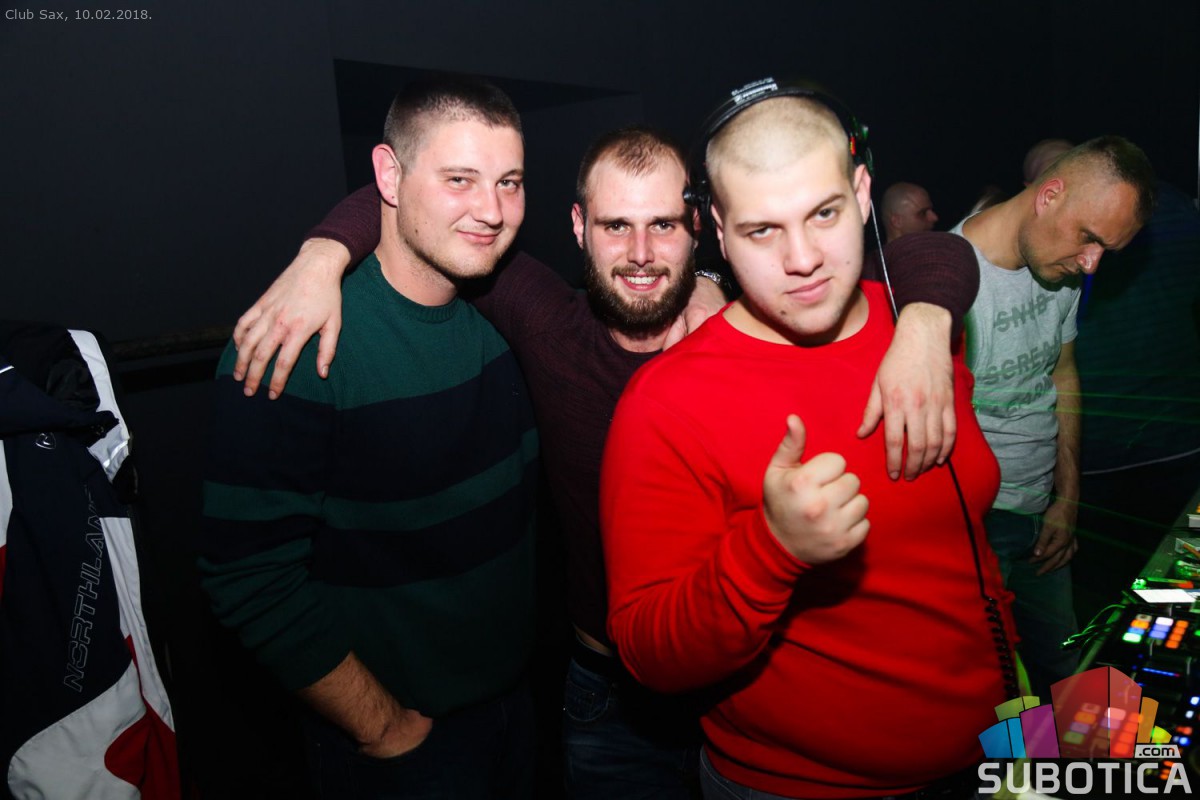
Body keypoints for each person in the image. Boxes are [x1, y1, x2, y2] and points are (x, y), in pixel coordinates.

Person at [231, 120, 981, 796]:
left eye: (663, 225)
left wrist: (922, 325)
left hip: (758, 693)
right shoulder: (550, 327)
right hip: (609, 695)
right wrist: (322, 254)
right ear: (578, 228)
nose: (642, 254)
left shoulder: (763, 322)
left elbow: (938, 249)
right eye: (616, 226)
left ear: (700, 229)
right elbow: (419, 202)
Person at [601, 83, 1016, 799]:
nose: (803, 259)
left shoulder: (921, 325)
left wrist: (927, 323)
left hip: (1004, 743)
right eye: (763, 230)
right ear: (718, 230)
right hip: (803, 785)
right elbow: (648, 653)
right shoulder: (665, 403)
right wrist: (772, 550)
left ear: (862, 193)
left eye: (824, 214)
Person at [198, 76, 540, 799]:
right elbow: (248, 578)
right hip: (400, 745)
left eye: (508, 182)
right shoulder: (298, 344)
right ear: (388, 175)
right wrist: (385, 729)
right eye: (459, 179)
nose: (491, 210)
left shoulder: (507, 313)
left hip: (520, 710)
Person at [949, 135, 1156, 700]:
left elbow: (1062, 374)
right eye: (1089, 238)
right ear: (1049, 195)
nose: (1091, 264)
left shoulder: (1061, 270)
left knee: (1064, 673)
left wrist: (1067, 498)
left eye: (1105, 251)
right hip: (974, 528)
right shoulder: (947, 279)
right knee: (993, 697)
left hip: (1043, 512)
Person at [1073, 179, 1200, 619]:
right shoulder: (1178, 208)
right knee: (1177, 588)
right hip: (1173, 437)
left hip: (1108, 450)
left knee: (1107, 594)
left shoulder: (1076, 225)